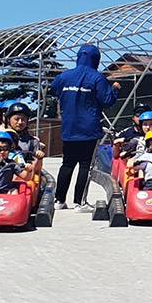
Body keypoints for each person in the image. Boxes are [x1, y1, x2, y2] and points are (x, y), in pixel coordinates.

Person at [49, 44, 120, 211]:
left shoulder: (64, 77)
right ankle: (79, 202)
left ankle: (59, 200)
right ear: (96, 59)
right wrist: (115, 90)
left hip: (69, 128)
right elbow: (107, 100)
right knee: (85, 165)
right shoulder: (96, 77)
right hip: (89, 129)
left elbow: (53, 90)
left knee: (66, 164)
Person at [4, 102, 44, 169]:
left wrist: (39, 158)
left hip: (24, 175)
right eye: (16, 119)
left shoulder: (33, 142)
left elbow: (37, 169)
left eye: (23, 119)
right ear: (8, 119)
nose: (20, 122)